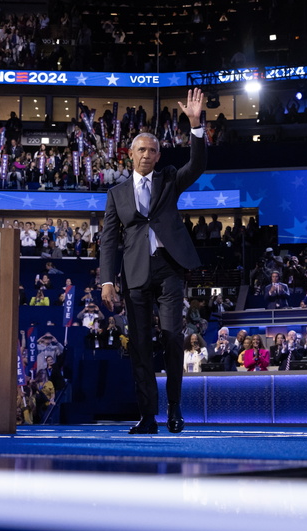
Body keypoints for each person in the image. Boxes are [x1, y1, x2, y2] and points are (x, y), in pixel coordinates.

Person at [100, 88, 207, 435]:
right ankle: (148, 416)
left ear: (159, 155)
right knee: (141, 347)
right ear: (130, 154)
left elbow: (199, 164)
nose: (147, 155)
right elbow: (108, 240)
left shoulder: (170, 179)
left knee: (174, 337)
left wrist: (195, 125)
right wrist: (106, 280)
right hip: (134, 277)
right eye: (142, 150)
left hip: (170, 268)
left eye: (153, 150)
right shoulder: (116, 194)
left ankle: (175, 409)